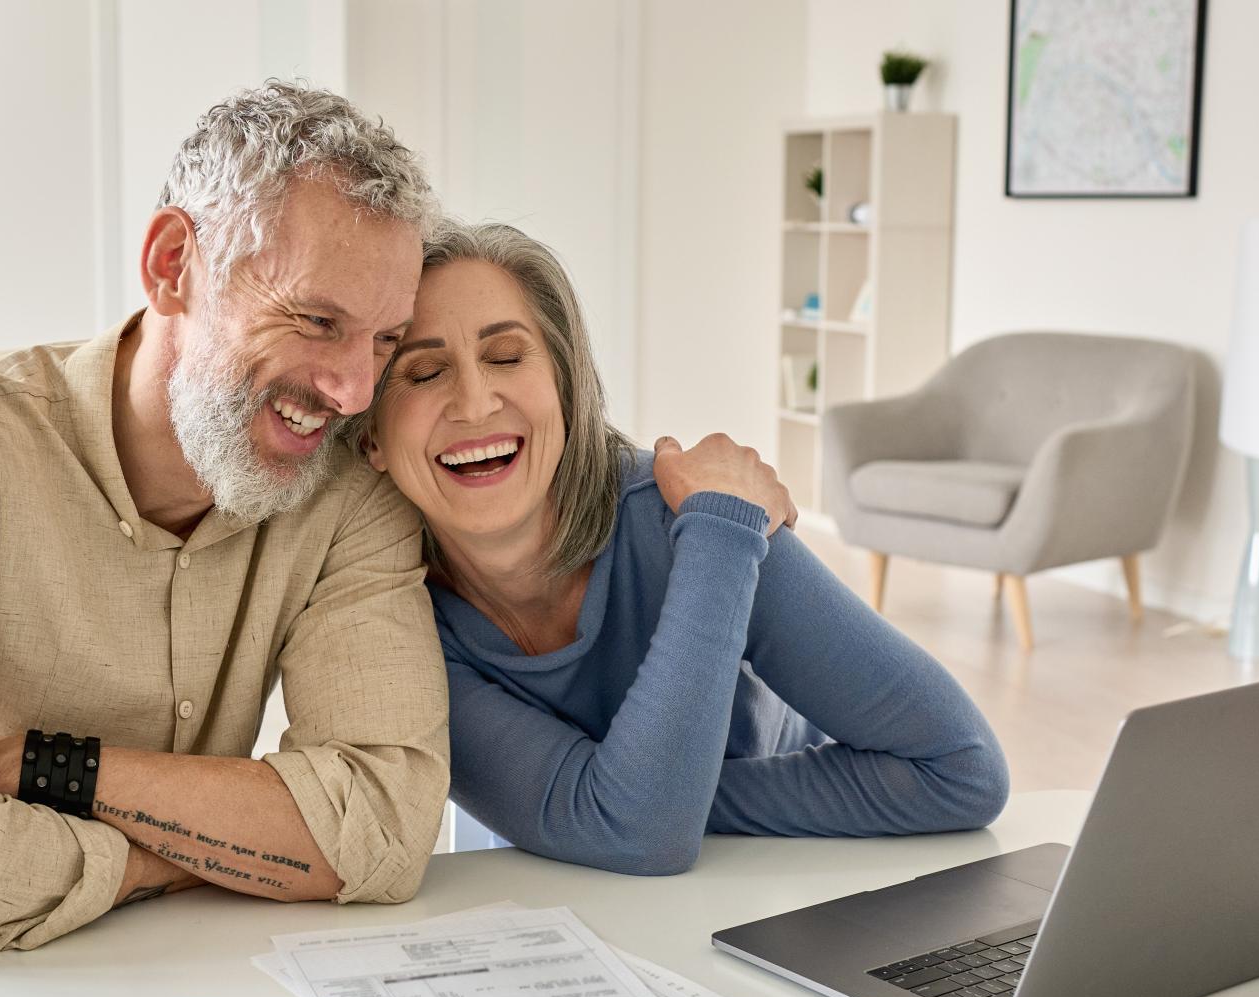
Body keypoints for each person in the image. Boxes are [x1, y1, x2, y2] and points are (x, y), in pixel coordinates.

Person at [0, 83, 452, 961]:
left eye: (383, 340)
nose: (353, 391)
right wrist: (204, 854)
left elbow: (384, 826)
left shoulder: (349, 494)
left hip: (158, 984)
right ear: (173, 264)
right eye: (316, 320)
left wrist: (54, 769)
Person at [363, 222, 1010, 875]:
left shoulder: (702, 520)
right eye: (423, 372)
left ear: (564, 387)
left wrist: (644, 799)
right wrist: (637, 803)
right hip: (566, 907)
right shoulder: (392, 625)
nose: (475, 403)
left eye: (506, 356)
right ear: (371, 441)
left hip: (780, 883)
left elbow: (962, 769)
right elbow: (635, 830)